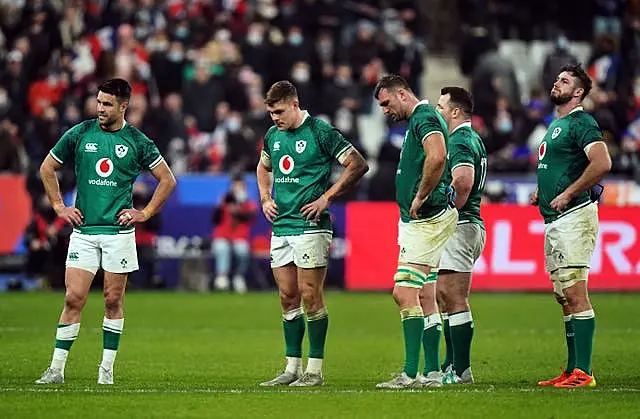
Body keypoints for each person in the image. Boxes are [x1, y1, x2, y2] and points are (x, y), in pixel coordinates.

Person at [35, 78, 176, 385]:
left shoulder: (138, 142)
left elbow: (167, 180)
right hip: (84, 231)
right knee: (74, 298)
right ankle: (56, 369)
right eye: (98, 102)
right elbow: (47, 167)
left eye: (107, 104)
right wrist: (60, 206)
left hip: (118, 233)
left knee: (113, 299)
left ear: (123, 107)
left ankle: (106, 370)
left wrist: (145, 213)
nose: (100, 108)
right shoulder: (80, 133)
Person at [257, 80, 368, 387]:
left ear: (295, 104)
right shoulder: (272, 135)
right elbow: (263, 167)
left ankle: (315, 370)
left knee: (310, 295)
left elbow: (357, 164)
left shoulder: (321, 131)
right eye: (270, 113)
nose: (275, 118)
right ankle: (291, 368)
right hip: (282, 226)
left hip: (311, 226)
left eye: (279, 111)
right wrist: (266, 197)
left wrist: (326, 198)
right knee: (287, 296)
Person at [373, 75, 458, 389]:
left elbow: (437, 156)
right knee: (425, 295)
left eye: (386, 103)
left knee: (404, 292)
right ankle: (433, 373)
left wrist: (420, 195)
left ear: (402, 94)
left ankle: (410, 374)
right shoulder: (419, 120)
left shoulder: (423, 117)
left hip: (427, 220)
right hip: (424, 221)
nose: (384, 110)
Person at [532, 64, 611, 388]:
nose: (557, 83)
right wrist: (545, 191)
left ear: (578, 92)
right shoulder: (557, 124)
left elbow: (603, 161)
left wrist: (567, 193)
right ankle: (571, 369)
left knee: (576, 293)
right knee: (563, 295)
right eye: (557, 79)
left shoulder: (582, 122)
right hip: (555, 220)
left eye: (564, 81)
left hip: (574, 218)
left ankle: (584, 372)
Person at [434, 86, 488, 384]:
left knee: (453, 297)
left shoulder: (460, 140)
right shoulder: (470, 138)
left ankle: (461, 369)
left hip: (461, 223)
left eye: (442, 107)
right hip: (466, 224)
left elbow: (463, 182)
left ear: (455, 111)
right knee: (444, 295)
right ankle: (450, 363)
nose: (438, 111)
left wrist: (447, 210)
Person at [211, 174, 258, 294]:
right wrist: (220, 205)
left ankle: (239, 276)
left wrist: (238, 210)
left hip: (240, 237)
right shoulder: (225, 202)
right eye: (235, 186)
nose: (237, 189)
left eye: (240, 187)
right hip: (222, 236)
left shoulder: (249, 204)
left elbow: (250, 218)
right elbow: (214, 219)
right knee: (222, 248)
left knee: (241, 250)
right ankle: (222, 277)